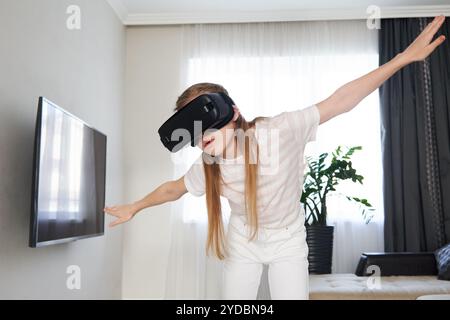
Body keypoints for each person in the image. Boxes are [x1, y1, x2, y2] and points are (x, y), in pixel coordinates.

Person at [104, 15, 446, 299]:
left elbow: (340, 100)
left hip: (288, 240)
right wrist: (134, 207)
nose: (202, 135)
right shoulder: (208, 166)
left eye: (206, 121)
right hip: (244, 240)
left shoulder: (278, 133)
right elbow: (173, 189)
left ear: (233, 113)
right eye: (193, 128)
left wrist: (403, 58)